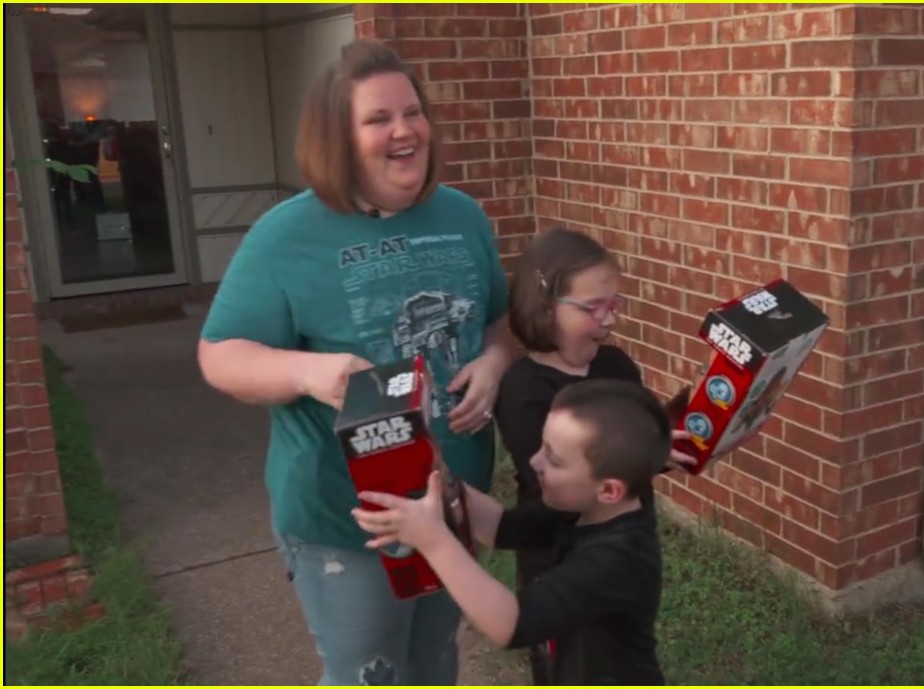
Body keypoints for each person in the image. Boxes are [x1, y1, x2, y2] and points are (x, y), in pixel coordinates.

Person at [196, 39, 513, 686]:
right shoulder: (286, 235)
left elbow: (499, 322)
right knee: (370, 674)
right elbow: (219, 355)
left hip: (451, 503)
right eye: (378, 119)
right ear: (338, 138)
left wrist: (496, 362)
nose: (405, 130)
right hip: (347, 521)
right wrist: (308, 373)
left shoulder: (462, 216)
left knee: (434, 666)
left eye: (413, 112)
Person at [353, 379, 670, 686]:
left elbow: (511, 624)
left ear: (610, 490)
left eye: (554, 459)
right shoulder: (582, 510)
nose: (535, 461)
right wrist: (437, 470)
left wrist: (434, 541)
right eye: (542, 446)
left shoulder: (620, 558)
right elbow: (499, 526)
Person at [492, 227, 694, 683]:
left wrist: (664, 446)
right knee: (565, 667)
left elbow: (621, 455)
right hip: (556, 557)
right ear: (547, 308)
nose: (609, 320)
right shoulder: (523, 389)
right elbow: (560, 491)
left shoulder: (616, 365)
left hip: (623, 549)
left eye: (614, 304)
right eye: (593, 308)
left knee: (622, 657)